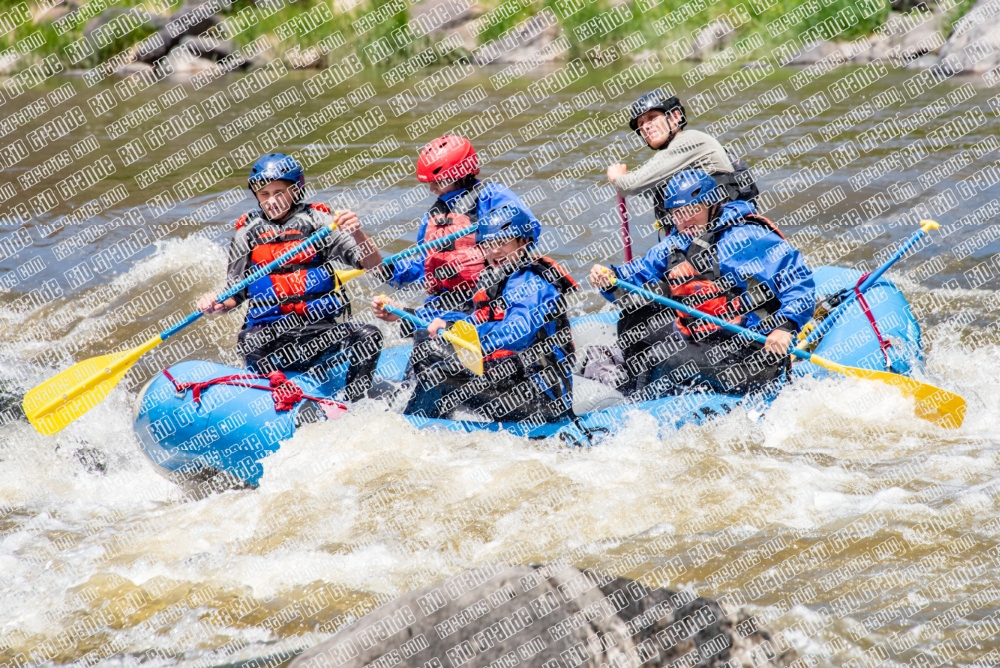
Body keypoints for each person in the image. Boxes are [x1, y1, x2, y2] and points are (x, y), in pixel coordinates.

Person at [589, 169, 815, 398]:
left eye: (692, 210)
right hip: (704, 340)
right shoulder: (675, 243)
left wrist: (785, 328)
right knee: (634, 318)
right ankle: (630, 389)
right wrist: (608, 277)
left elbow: (798, 281)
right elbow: (635, 276)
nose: (684, 219)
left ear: (712, 206)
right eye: (677, 213)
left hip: (752, 352)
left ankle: (641, 406)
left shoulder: (747, 237)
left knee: (662, 357)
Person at [197, 153, 384, 402]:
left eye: (279, 192)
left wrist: (357, 232)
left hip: (319, 331)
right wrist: (216, 303)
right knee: (248, 339)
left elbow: (373, 266)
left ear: (296, 190)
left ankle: (355, 403)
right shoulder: (247, 234)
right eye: (264, 194)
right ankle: (278, 394)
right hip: (270, 333)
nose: (272, 201)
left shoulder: (321, 223)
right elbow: (234, 296)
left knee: (369, 334)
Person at [372, 208, 578, 423]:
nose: (495, 251)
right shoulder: (498, 279)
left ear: (523, 242)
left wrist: (459, 331)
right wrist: (406, 315)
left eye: (504, 242)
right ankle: (419, 416)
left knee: (437, 371)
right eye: (489, 244)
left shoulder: (532, 282)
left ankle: (413, 430)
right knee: (428, 342)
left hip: (543, 397)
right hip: (512, 379)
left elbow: (518, 333)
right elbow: (472, 320)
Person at [387, 134, 541, 317]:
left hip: (489, 298)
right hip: (443, 307)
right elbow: (424, 267)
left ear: (460, 175)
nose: (432, 188)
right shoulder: (433, 217)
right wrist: (385, 269)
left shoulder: (492, 196)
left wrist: (485, 241)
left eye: (437, 182)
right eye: (430, 183)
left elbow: (530, 230)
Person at [607, 90, 757, 228]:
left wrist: (618, 178)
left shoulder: (689, 140)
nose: (646, 126)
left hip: (721, 229)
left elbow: (632, 185)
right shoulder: (675, 155)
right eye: (641, 124)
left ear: (676, 117)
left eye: (652, 118)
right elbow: (643, 189)